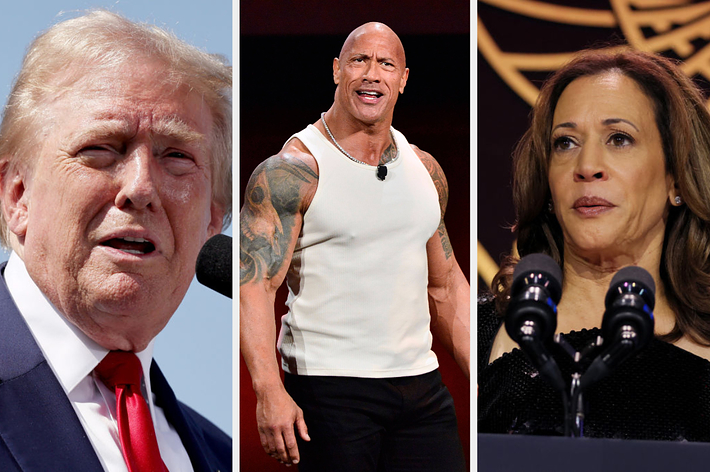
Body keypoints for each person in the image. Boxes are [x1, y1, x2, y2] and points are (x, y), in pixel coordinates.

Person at [0, 10, 232, 471]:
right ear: (17, 195)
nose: (142, 188)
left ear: (212, 219)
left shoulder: (221, 453)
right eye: (102, 148)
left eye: (177, 156)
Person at [240, 22, 469, 470]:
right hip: (330, 390)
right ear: (336, 71)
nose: (372, 74)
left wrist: (480, 376)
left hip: (421, 389)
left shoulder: (426, 171)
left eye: (386, 64)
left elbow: (445, 285)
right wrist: (268, 390)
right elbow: (257, 286)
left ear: (402, 80)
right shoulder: (293, 170)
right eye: (359, 60)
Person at [479, 48, 710, 440]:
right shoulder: (488, 329)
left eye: (619, 139)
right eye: (565, 143)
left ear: (675, 177)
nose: (586, 166)